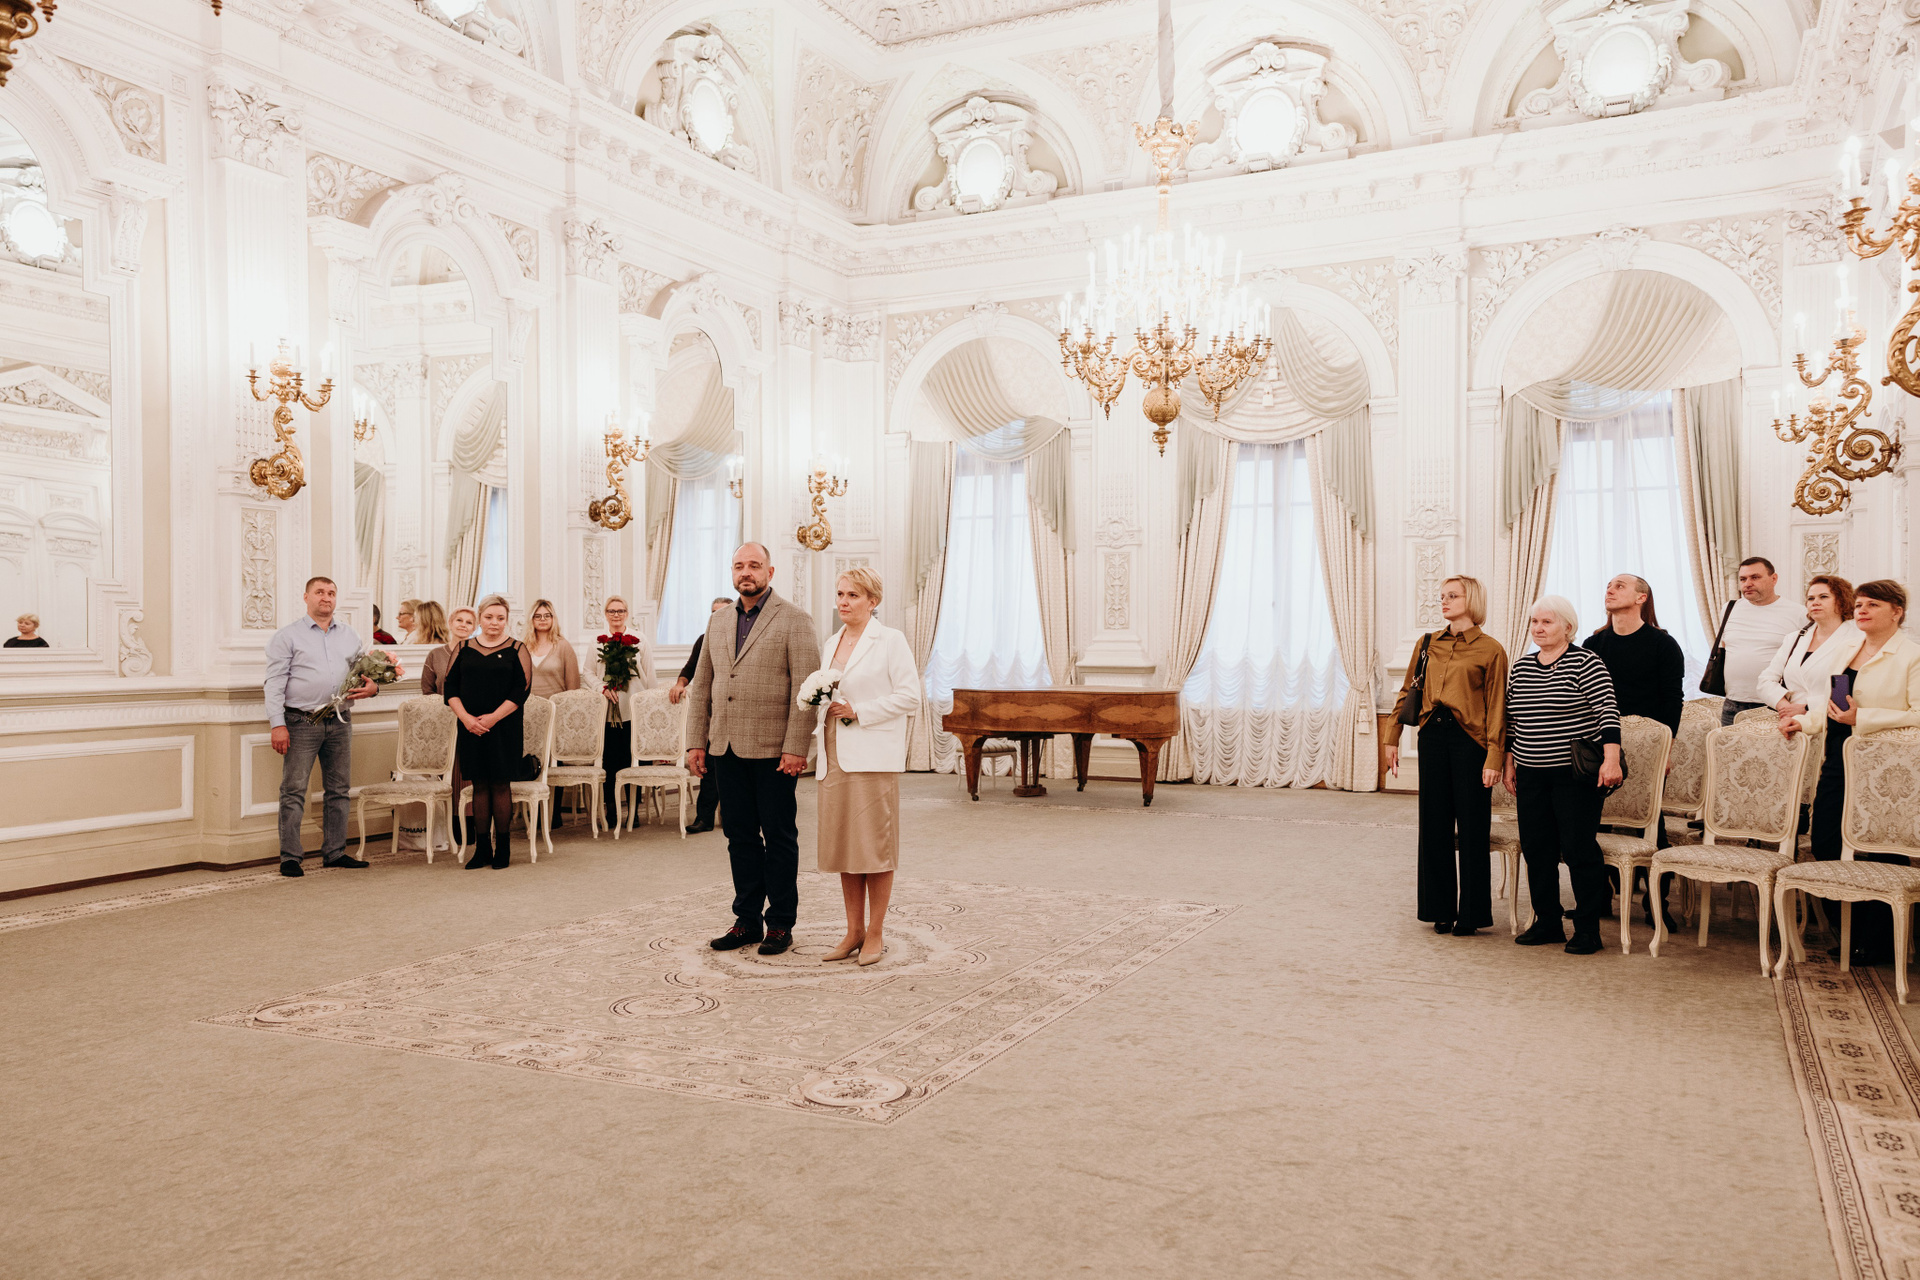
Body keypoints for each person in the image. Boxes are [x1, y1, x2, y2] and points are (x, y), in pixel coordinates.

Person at [686, 543, 821, 956]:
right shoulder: (718, 621)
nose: (746, 572)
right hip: (725, 747)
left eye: (755, 565)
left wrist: (796, 746)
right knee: (739, 836)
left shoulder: (795, 620)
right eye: (739, 566)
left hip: (775, 751)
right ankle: (746, 920)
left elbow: (807, 689)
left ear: (770, 571)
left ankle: (780, 923)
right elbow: (702, 685)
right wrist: (695, 741)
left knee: (779, 837)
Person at [1785, 580, 1920, 964]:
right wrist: (1803, 722)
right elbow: (1832, 706)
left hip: (1886, 770)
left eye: (1872, 604)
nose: (1861, 610)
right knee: (1825, 841)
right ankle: (1849, 929)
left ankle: (1880, 941)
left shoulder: (1912, 655)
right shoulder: (1847, 648)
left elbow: (1918, 714)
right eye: (1859, 604)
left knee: (1879, 851)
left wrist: (1864, 717)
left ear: (1896, 611)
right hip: (1838, 758)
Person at [1385, 575, 1508, 938]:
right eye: (1442, 596)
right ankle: (1439, 909)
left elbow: (1497, 707)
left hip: (1471, 742)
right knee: (1434, 826)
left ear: (1472, 600)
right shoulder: (1427, 643)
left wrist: (1494, 757)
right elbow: (1407, 690)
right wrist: (1392, 736)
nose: (1444, 601)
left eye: (1452, 595)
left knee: (1473, 828)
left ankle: (1471, 913)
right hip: (1432, 737)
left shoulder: (1491, 649)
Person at [1503, 595, 1623, 955]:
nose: (1538, 628)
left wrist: (1611, 759)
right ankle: (1548, 922)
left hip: (1573, 775)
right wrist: (1510, 763)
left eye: (1547, 622)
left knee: (1577, 849)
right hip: (1531, 773)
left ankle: (1588, 929)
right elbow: (1512, 721)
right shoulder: (1522, 668)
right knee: (1537, 849)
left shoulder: (1586, 662)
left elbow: (1607, 712)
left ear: (1567, 627)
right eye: (1534, 622)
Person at [815, 570, 922, 967]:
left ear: (873, 601)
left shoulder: (890, 640)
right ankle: (853, 930)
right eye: (840, 594)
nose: (843, 601)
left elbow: (910, 696)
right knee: (845, 846)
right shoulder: (831, 642)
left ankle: (875, 931)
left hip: (873, 757)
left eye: (853, 595)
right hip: (834, 755)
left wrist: (860, 711)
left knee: (874, 847)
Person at [1581, 574, 1687, 926]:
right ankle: (1598, 899)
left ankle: (1657, 904)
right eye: (1608, 586)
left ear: (1642, 597)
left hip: (1650, 747)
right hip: (1601, 744)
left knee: (1650, 824)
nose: (1610, 589)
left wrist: (1666, 750)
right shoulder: (1594, 643)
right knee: (1595, 822)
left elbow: (1672, 701)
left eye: (1620, 586)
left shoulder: (1663, 644)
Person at [264, 576, 389, 877]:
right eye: (319, 592)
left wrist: (374, 688)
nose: (326, 597)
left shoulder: (349, 635)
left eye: (331, 593)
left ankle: (335, 852)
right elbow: (274, 683)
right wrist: (277, 725)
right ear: (306, 597)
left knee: (339, 790)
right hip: (300, 722)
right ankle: (290, 857)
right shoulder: (287, 636)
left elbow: (363, 674)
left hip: (340, 721)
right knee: (294, 790)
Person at [443, 594, 533, 871]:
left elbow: (521, 691)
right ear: (480, 618)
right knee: (479, 785)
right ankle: (482, 850)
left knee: (500, 785)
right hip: (470, 727)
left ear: (507, 620)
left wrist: (493, 718)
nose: (494, 622)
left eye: (500, 618)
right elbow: (450, 688)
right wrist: (466, 719)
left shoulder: (517, 649)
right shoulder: (463, 648)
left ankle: (503, 849)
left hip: (504, 727)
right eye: (489, 617)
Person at [588, 595, 655, 832]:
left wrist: (649, 708)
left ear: (627, 614)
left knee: (632, 761)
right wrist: (602, 688)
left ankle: (633, 811)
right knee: (611, 762)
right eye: (611, 611)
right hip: (608, 713)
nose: (616, 615)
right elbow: (587, 672)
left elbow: (650, 675)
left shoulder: (640, 640)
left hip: (634, 711)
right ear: (605, 614)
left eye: (620, 611)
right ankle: (613, 810)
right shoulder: (597, 641)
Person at [1759, 575, 1859, 724]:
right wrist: (1784, 706)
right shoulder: (1794, 638)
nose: (1815, 602)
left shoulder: (1857, 638)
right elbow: (1765, 680)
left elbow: (1856, 688)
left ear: (1841, 601)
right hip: (1789, 722)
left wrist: (1807, 708)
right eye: (1811, 598)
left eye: (1823, 597)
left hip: (1832, 723)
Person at [670, 596, 733, 834]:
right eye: (714, 613)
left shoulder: (743, 638)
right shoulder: (704, 639)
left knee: (733, 771)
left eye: (723, 612)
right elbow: (690, 667)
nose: (718, 617)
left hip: (736, 713)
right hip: (712, 714)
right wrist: (680, 684)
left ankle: (731, 817)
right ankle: (704, 818)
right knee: (710, 768)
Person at [417, 606, 476, 852]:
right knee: (449, 776)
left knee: (469, 775)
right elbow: (428, 692)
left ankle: (470, 827)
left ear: (475, 628)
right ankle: (449, 828)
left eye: (469, 622)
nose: (463, 625)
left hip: (473, 723)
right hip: (443, 727)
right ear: (450, 623)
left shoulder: (479, 653)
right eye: (459, 620)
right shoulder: (435, 655)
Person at [1718, 557, 1801, 725]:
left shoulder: (1798, 613)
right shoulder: (1729, 608)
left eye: (1755, 577)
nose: (1747, 584)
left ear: (1774, 578)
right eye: (1743, 579)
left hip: (1775, 705)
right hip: (1732, 703)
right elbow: (1726, 646)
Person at [525, 598, 583, 700]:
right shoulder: (524, 647)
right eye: (538, 616)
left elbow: (573, 687)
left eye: (547, 615)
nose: (542, 619)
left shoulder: (564, 646)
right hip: (529, 706)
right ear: (532, 619)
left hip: (557, 706)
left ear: (553, 618)